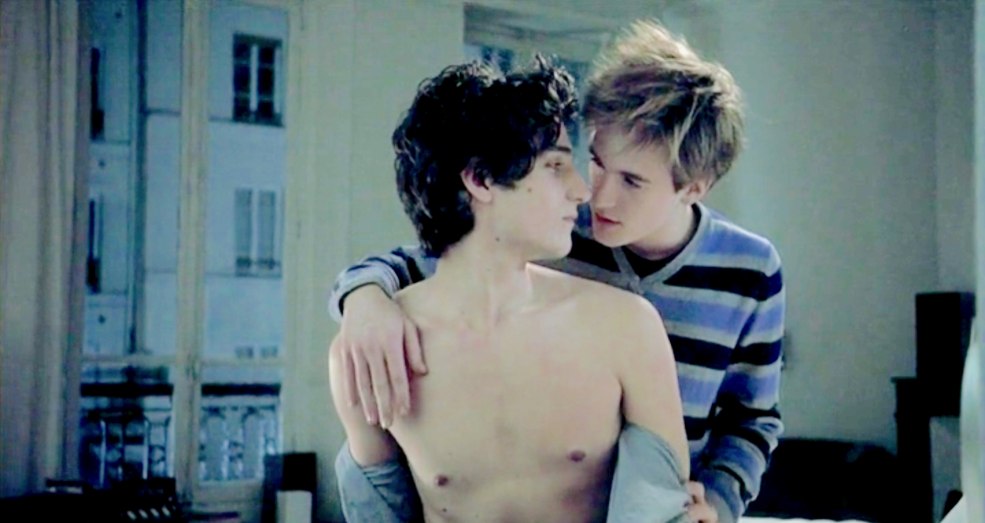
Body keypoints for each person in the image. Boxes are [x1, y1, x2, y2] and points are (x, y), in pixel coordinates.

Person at [330, 20, 785, 523]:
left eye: (632, 181)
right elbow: (437, 255)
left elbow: (753, 419)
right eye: (595, 162)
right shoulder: (554, 229)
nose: (594, 194)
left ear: (693, 188)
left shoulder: (749, 270)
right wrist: (362, 298)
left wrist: (717, 501)